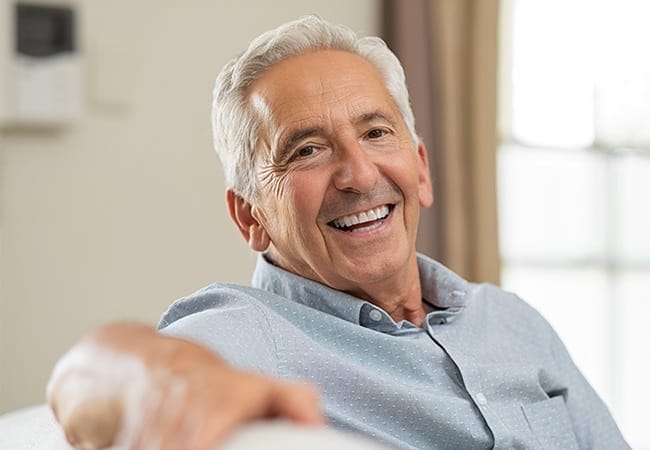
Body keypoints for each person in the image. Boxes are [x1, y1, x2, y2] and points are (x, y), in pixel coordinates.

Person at [47, 15, 629, 450]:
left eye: (376, 133)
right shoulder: (253, 335)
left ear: (420, 169)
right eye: (307, 150)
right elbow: (83, 377)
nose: (358, 174)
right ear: (250, 217)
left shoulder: (512, 321)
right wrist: (164, 384)